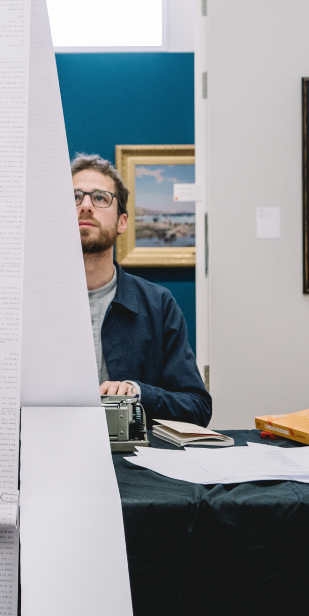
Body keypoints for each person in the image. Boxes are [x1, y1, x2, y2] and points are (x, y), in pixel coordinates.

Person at [72, 154, 211, 428]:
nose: (86, 206)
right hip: (51, 457)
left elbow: (198, 408)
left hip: (136, 463)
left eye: (100, 198)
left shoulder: (158, 304)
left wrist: (138, 393)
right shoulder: (26, 306)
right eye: (74, 197)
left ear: (122, 222)